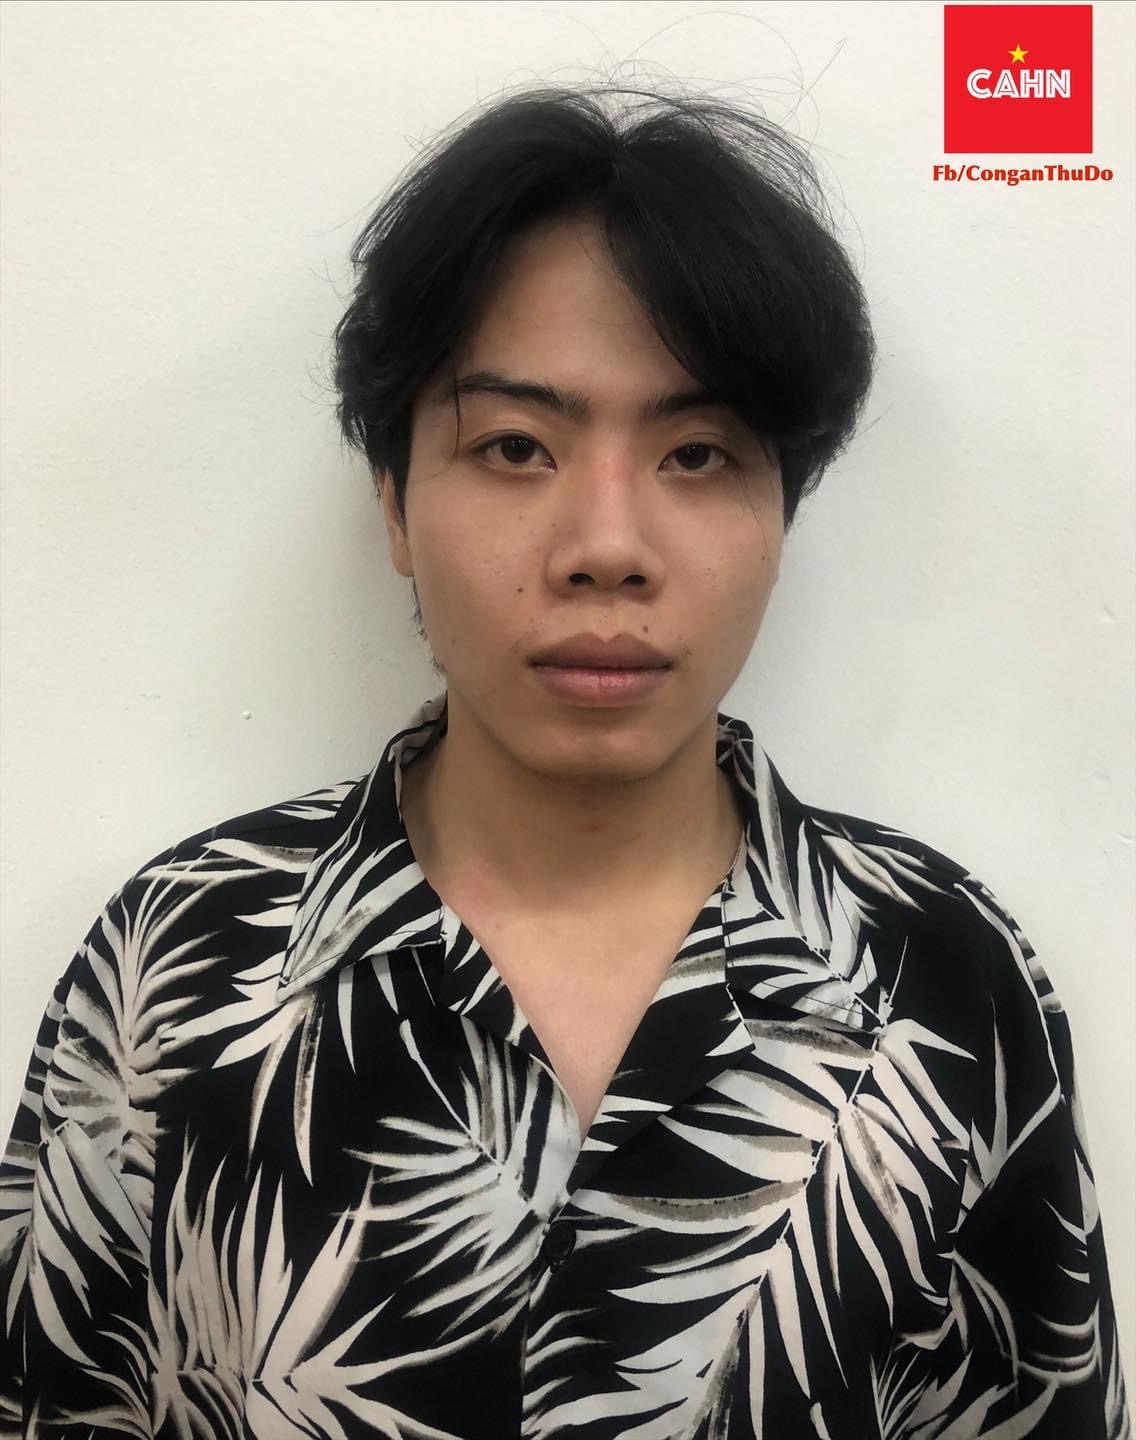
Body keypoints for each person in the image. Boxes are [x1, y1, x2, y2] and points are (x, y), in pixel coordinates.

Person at [0, 79, 1128, 1440]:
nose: (606, 545)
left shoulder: (943, 974)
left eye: (698, 453)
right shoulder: (179, 959)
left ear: (784, 508)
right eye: (515, 446)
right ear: (395, 504)